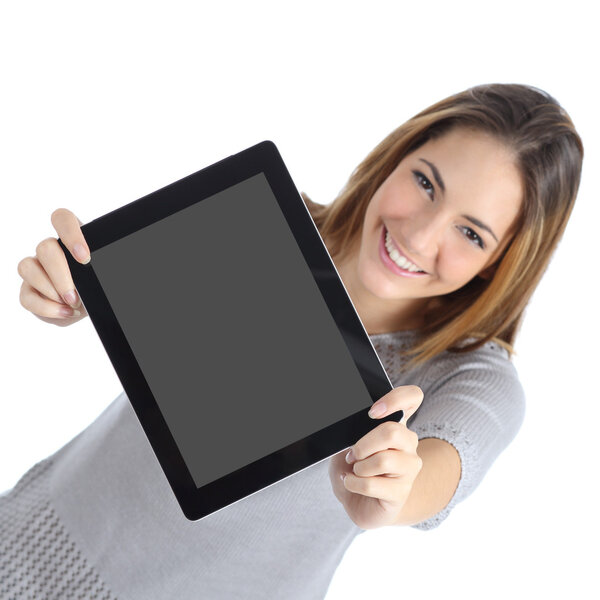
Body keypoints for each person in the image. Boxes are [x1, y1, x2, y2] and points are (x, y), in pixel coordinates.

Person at [2, 83, 583, 599]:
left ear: (501, 263)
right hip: (26, 542)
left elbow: (440, 471)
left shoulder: (472, 379)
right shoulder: (263, 218)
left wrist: (394, 483)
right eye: (426, 182)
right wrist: (80, 291)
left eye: (470, 232)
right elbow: (122, 298)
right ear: (395, 157)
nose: (421, 233)